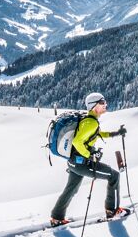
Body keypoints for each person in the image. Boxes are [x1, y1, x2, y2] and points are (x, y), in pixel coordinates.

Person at [50, 92, 128, 226]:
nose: (105, 105)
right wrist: (90, 155)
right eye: (102, 103)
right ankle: (113, 211)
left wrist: (116, 133)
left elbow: (96, 134)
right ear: (94, 106)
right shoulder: (90, 123)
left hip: (73, 162)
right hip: (82, 163)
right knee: (114, 176)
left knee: (71, 189)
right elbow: (77, 141)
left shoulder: (89, 120)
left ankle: (56, 217)